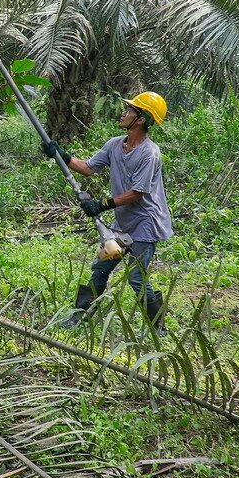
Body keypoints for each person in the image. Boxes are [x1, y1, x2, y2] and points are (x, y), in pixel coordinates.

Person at [43, 91, 172, 332]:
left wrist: (101, 205)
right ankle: (79, 316)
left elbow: (137, 193)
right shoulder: (114, 145)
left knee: (136, 278)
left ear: (141, 119)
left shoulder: (149, 153)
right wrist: (61, 154)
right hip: (122, 222)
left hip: (146, 223)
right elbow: (88, 168)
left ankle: (159, 328)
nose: (124, 113)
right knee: (101, 267)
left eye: (130, 110)